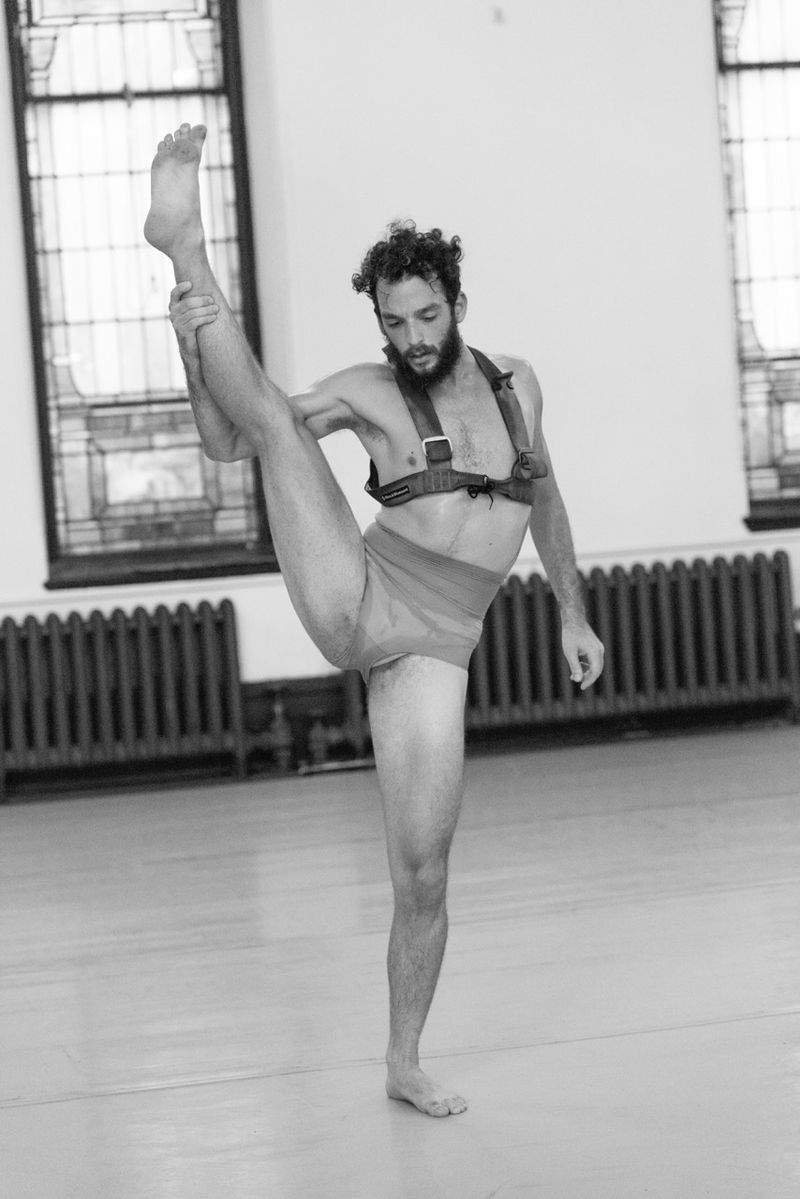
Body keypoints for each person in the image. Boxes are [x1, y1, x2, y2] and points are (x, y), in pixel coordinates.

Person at [144, 123, 604, 1119]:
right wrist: (190, 346)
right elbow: (231, 440)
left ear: (457, 306)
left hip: (437, 649)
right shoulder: (367, 389)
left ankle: (403, 1060)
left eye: (426, 316)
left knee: (423, 875)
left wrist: (573, 612)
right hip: (357, 591)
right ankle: (186, 250)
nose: (411, 338)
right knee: (277, 421)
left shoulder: (518, 386)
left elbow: (547, 501)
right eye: (394, 322)